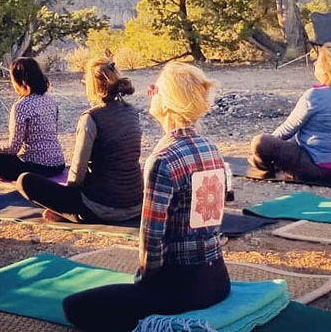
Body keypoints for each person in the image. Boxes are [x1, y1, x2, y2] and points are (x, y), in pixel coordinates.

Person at [62, 62, 230, 332]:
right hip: (218, 280)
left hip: (182, 288)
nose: (150, 92)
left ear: (168, 102)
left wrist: (144, 286)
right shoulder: (212, 148)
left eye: (156, 89)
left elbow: (152, 242)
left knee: (75, 307)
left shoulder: (163, 159)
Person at [17, 57, 142, 223]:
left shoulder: (91, 118)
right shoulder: (132, 112)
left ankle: (68, 214)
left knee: (25, 181)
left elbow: (77, 172)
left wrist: (66, 200)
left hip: (102, 206)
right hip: (135, 204)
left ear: (92, 86)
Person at [249, 43, 331, 180]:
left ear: (325, 69)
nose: (314, 63)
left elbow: (287, 130)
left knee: (261, 142)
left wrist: (265, 151)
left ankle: (265, 166)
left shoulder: (313, 96)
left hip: (320, 168)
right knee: (295, 141)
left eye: (317, 61)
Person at [0, 57, 65, 181]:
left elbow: (13, 148)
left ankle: (0, 174)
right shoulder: (50, 101)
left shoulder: (21, 106)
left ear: (18, 80)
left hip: (36, 168)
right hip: (58, 165)